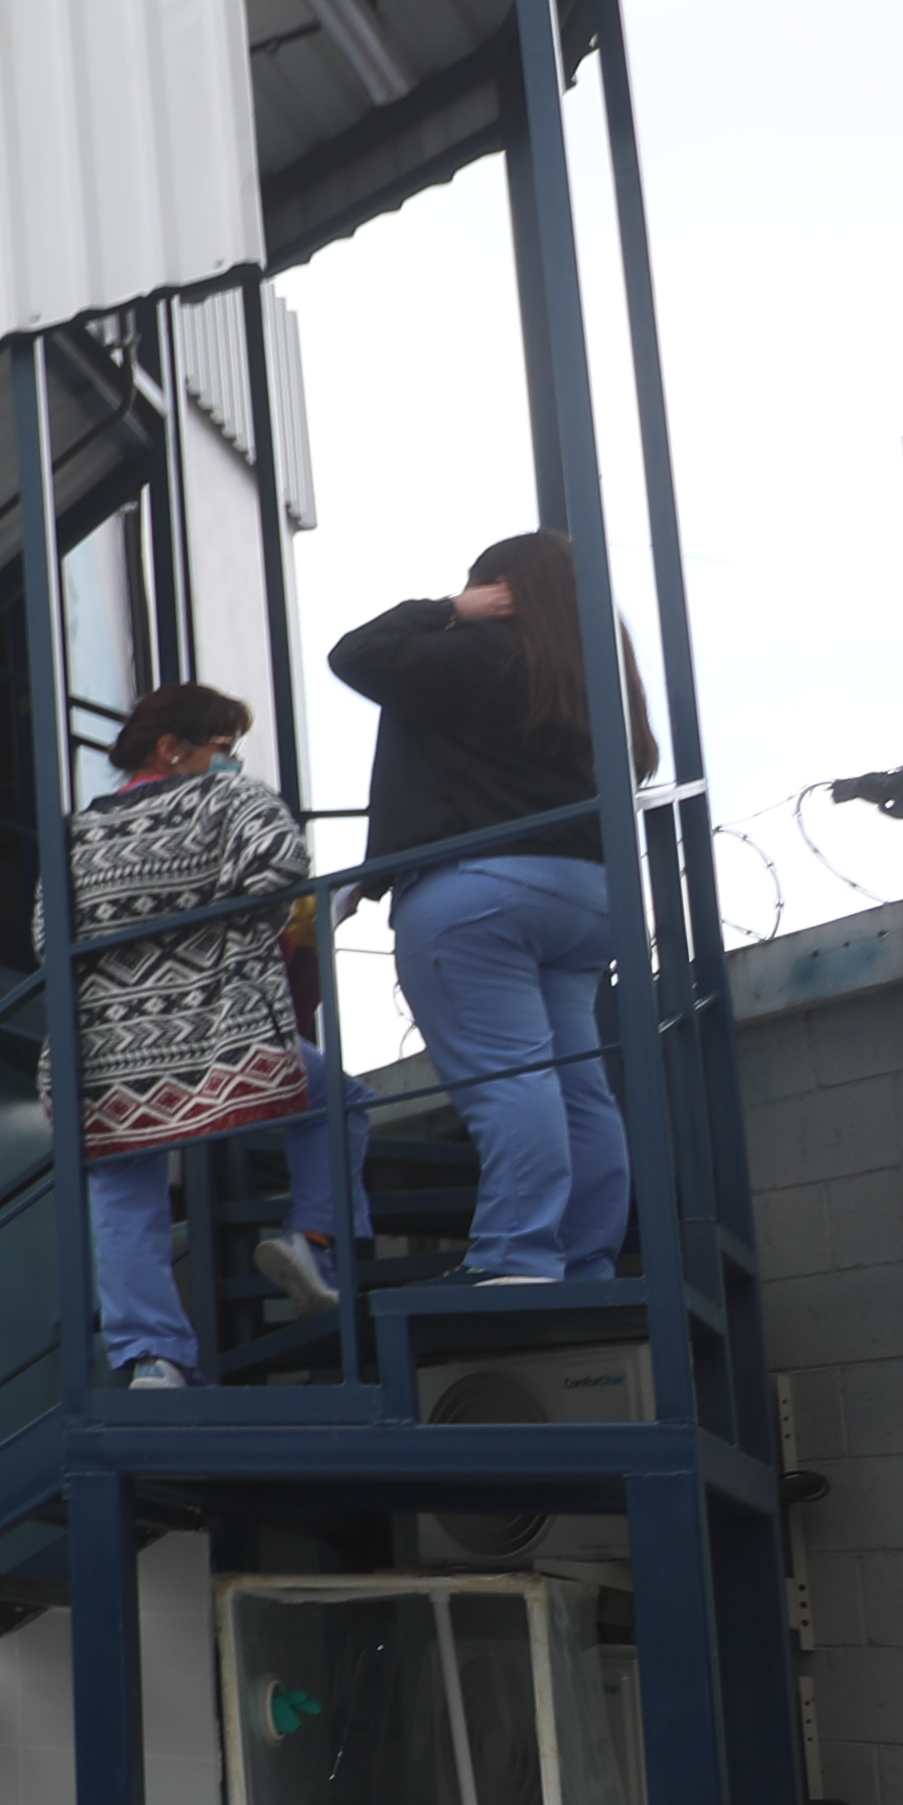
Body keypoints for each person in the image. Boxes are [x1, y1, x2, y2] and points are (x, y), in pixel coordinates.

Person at [331, 529, 652, 1284]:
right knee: (577, 1086)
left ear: (502, 589)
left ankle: (516, 1255)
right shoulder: (593, 672)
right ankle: (583, 1258)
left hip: (478, 893)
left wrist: (448, 608)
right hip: (589, 896)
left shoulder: (479, 653)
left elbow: (356, 655)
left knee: (512, 1077)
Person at [59, 682, 363, 1385]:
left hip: (111, 1055)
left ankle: (151, 1359)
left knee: (122, 1198)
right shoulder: (232, 800)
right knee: (338, 1100)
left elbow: (53, 939)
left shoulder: (76, 833)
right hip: (223, 1036)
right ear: (174, 750)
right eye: (223, 748)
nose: (232, 762)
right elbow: (282, 871)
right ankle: (312, 1242)